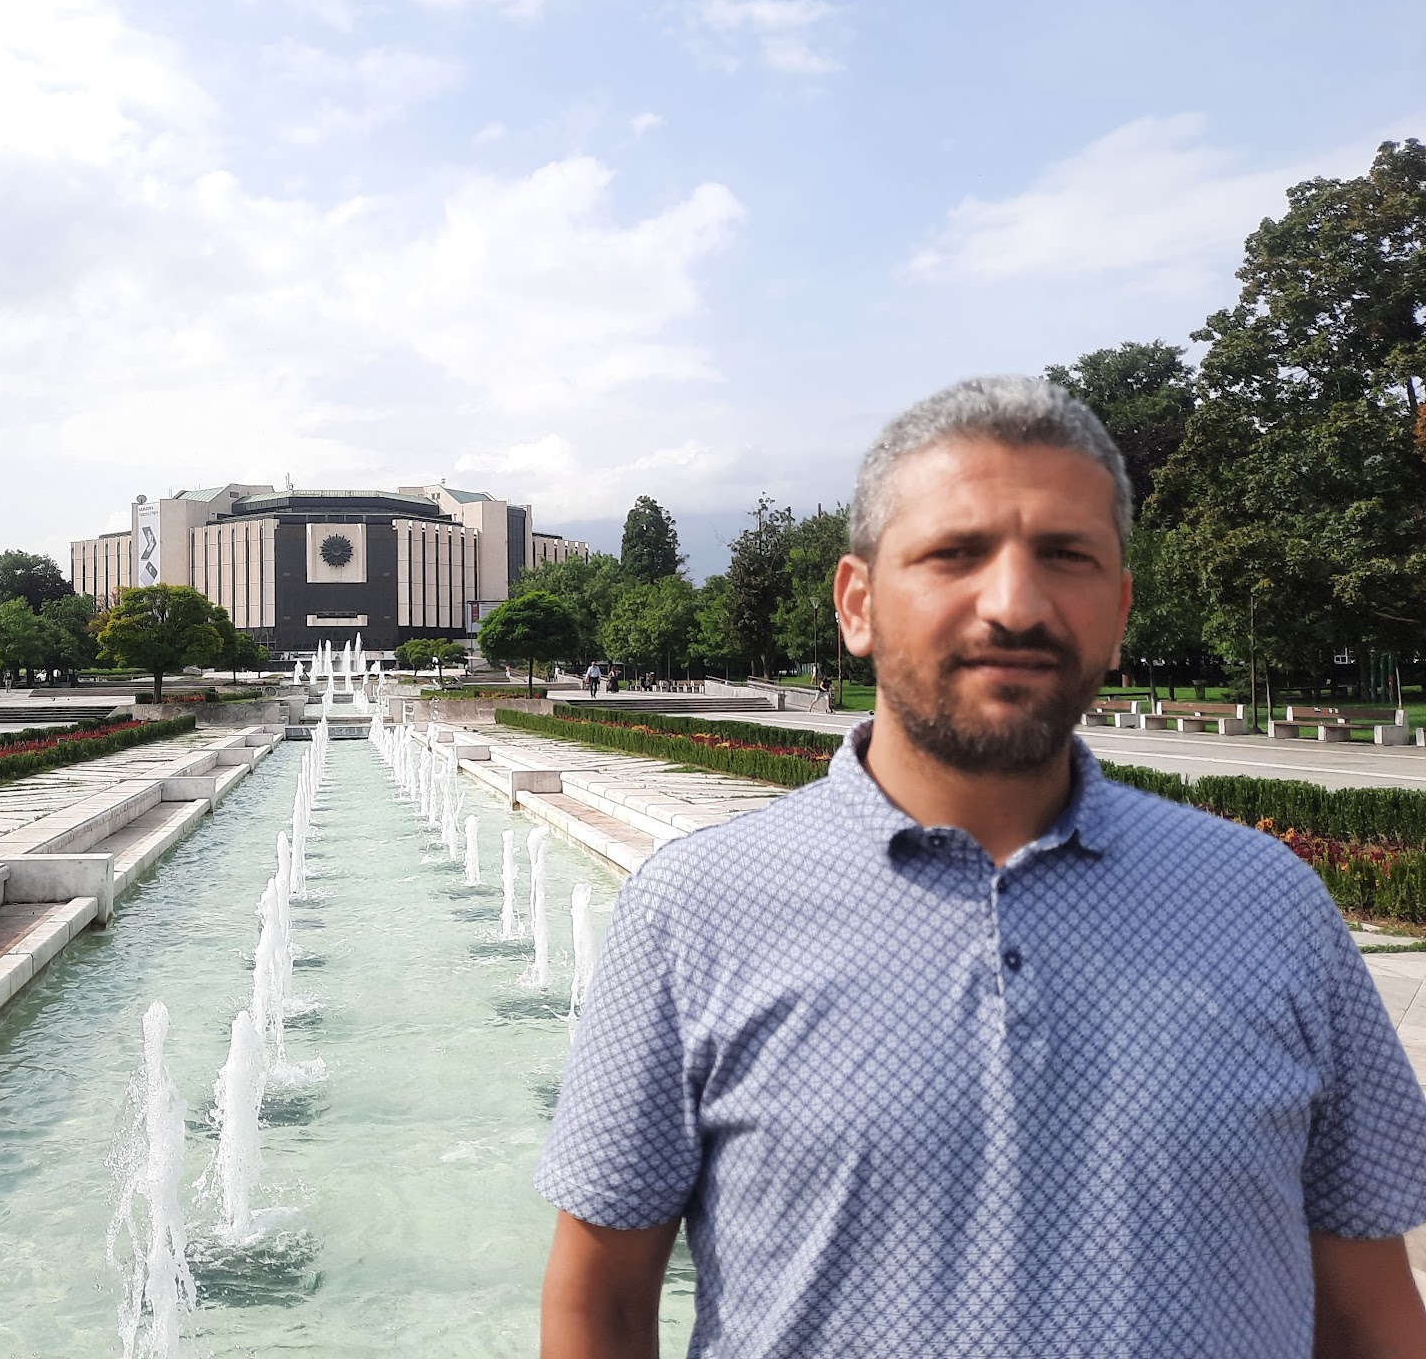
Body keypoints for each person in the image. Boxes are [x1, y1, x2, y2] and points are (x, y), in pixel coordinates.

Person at [537, 376, 1426, 1359]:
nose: (1013, 604)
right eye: (955, 553)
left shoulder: (1268, 904)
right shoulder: (693, 913)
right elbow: (600, 1306)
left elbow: (1368, 1312)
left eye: (1067, 556)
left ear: (1119, 609)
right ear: (858, 604)